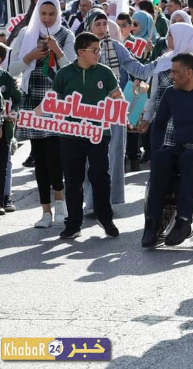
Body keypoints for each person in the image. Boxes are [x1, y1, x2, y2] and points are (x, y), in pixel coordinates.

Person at [142, 53, 193, 247]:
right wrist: (154, 151)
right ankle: (152, 223)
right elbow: (159, 124)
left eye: (175, 72)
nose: (171, 76)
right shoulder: (171, 93)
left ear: (189, 73)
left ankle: (183, 221)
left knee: (189, 159)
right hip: (181, 148)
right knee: (161, 157)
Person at [81, 8, 159, 200]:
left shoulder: (115, 46)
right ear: (89, 26)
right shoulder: (80, 48)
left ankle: (112, 198)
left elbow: (139, 70)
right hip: (88, 110)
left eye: (104, 24)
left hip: (115, 108)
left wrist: (162, 61)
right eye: (97, 24)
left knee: (115, 156)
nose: (101, 28)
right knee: (90, 158)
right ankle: (91, 201)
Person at [50, 32, 122, 239]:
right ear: (81, 52)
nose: (99, 54)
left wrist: (124, 109)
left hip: (99, 134)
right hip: (70, 135)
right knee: (73, 180)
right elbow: (53, 102)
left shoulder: (105, 72)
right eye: (95, 50)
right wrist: (33, 115)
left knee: (100, 175)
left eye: (99, 50)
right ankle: (73, 223)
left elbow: (117, 96)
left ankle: (105, 217)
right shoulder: (64, 74)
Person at [10, 0, 72, 228]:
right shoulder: (26, 35)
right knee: (40, 159)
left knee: (54, 157)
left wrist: (58, 51)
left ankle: (60, 201)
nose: (47, 18)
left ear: (58, 14)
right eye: (43, 14)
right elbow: (12, 70)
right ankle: (45, 211)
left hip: (56, 104)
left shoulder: (66, 35)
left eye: (52, 14)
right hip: (32, 101)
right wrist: (30, 56)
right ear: (37, 13)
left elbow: (72, 70)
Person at [139, 23, 193, 149]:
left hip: (187, 122)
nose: (167, 38)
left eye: (170, 35)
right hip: (163, 121)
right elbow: (155, 91)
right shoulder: (164, 60)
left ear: (181, 37)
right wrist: (147, 117)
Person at [0, 43, 19, 214]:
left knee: (6, 162)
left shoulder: (6, 78)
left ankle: (6, 197)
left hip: (4, 128)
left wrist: (13, 112)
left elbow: (18, 98)